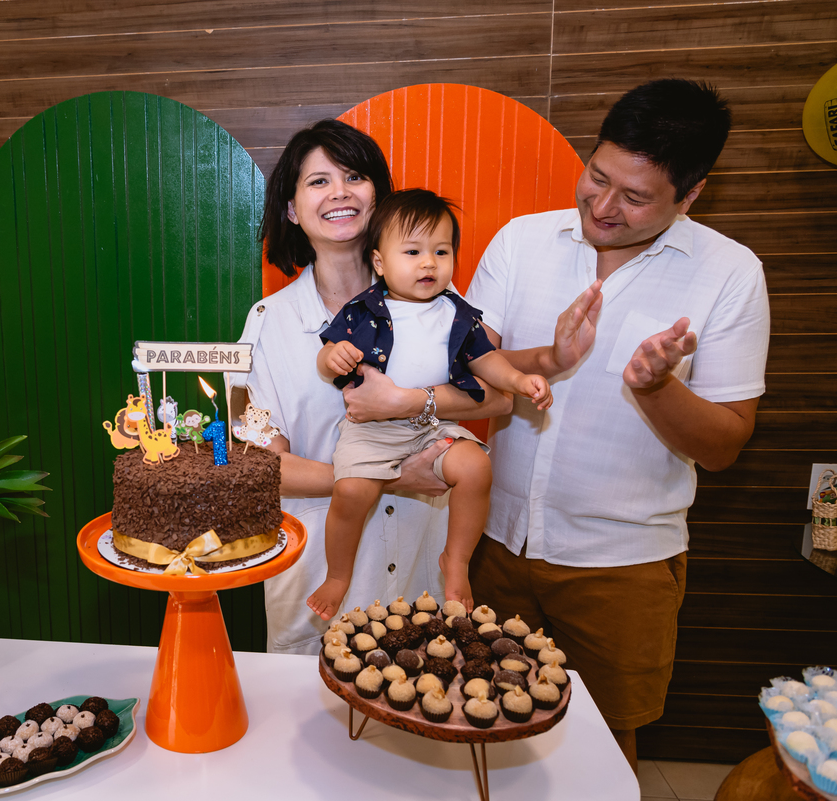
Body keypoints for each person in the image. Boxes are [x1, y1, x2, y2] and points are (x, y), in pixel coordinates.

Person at [463, 79, 770, 770]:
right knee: (474, 718)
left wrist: (656, 387)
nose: (603, 207)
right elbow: (468, 371)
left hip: (623, 564)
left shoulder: (730, 274)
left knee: (600, 752)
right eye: (596, 177)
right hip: (495, 540)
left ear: (691, 195)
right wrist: (545, 357)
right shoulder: (523, 241)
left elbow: (725, 444)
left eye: (634, 198)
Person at [232, 120, 512, 654]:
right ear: (292, 208)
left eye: (354, 176)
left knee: (416, 716)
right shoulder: (269, 322)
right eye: (318, 182)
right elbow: (262, 465)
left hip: (417, 571)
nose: (339, 192)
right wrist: (391, 476)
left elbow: (498, 395)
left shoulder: (439, 301)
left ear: (377, 196)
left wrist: (414, 401)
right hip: (318, 583)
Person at [305, 190, 550, 620]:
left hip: (433, 426)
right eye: (413, 251)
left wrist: (518, 379)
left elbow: (487, 360)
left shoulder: (457, 313)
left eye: (441, 251)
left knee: (476, 467)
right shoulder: (363, 310)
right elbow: (327, 355)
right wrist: (333, 358)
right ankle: (338, 575)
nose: (429, 263)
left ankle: (454, 561)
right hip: (373, 431)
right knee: (349, 491)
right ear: (380, 262)